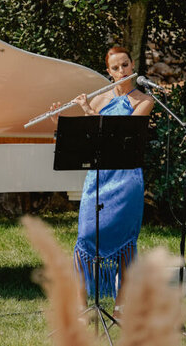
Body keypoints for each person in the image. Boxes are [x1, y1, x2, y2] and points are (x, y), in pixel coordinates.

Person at [51, 46, 153, 313]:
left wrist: (87, 110)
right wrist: (58, 123)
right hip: (98, 178)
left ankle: (120, 306)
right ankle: (82, 307)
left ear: (133, 66)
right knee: (84, 239)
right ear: (108, 72)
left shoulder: (144, 101)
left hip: (126, 178)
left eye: (125, 65)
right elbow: (86, 138)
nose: (122, 71)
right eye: (116, 68)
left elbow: (118, 137)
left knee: (126, 243)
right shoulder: (99, 100)